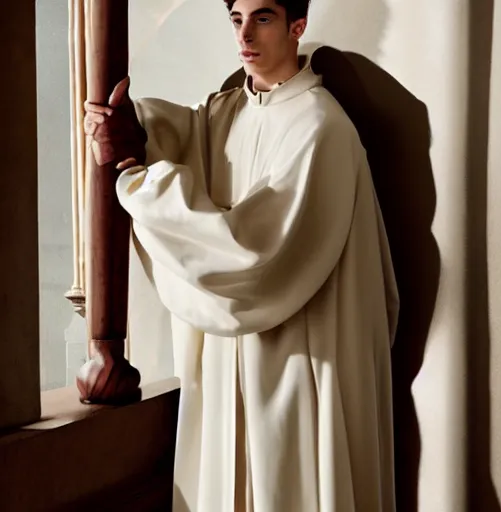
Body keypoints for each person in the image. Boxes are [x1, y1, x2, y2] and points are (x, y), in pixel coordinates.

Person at [84, 0, 399, 510]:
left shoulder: (322, 129)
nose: (245, 34)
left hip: (299, 362)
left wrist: (135, 177)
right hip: (231, 366)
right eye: (236, 19)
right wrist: (133, 125)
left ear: (298, 25)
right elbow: (185, 132)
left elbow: (248, 253)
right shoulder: (230, 107)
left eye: (264, 17)